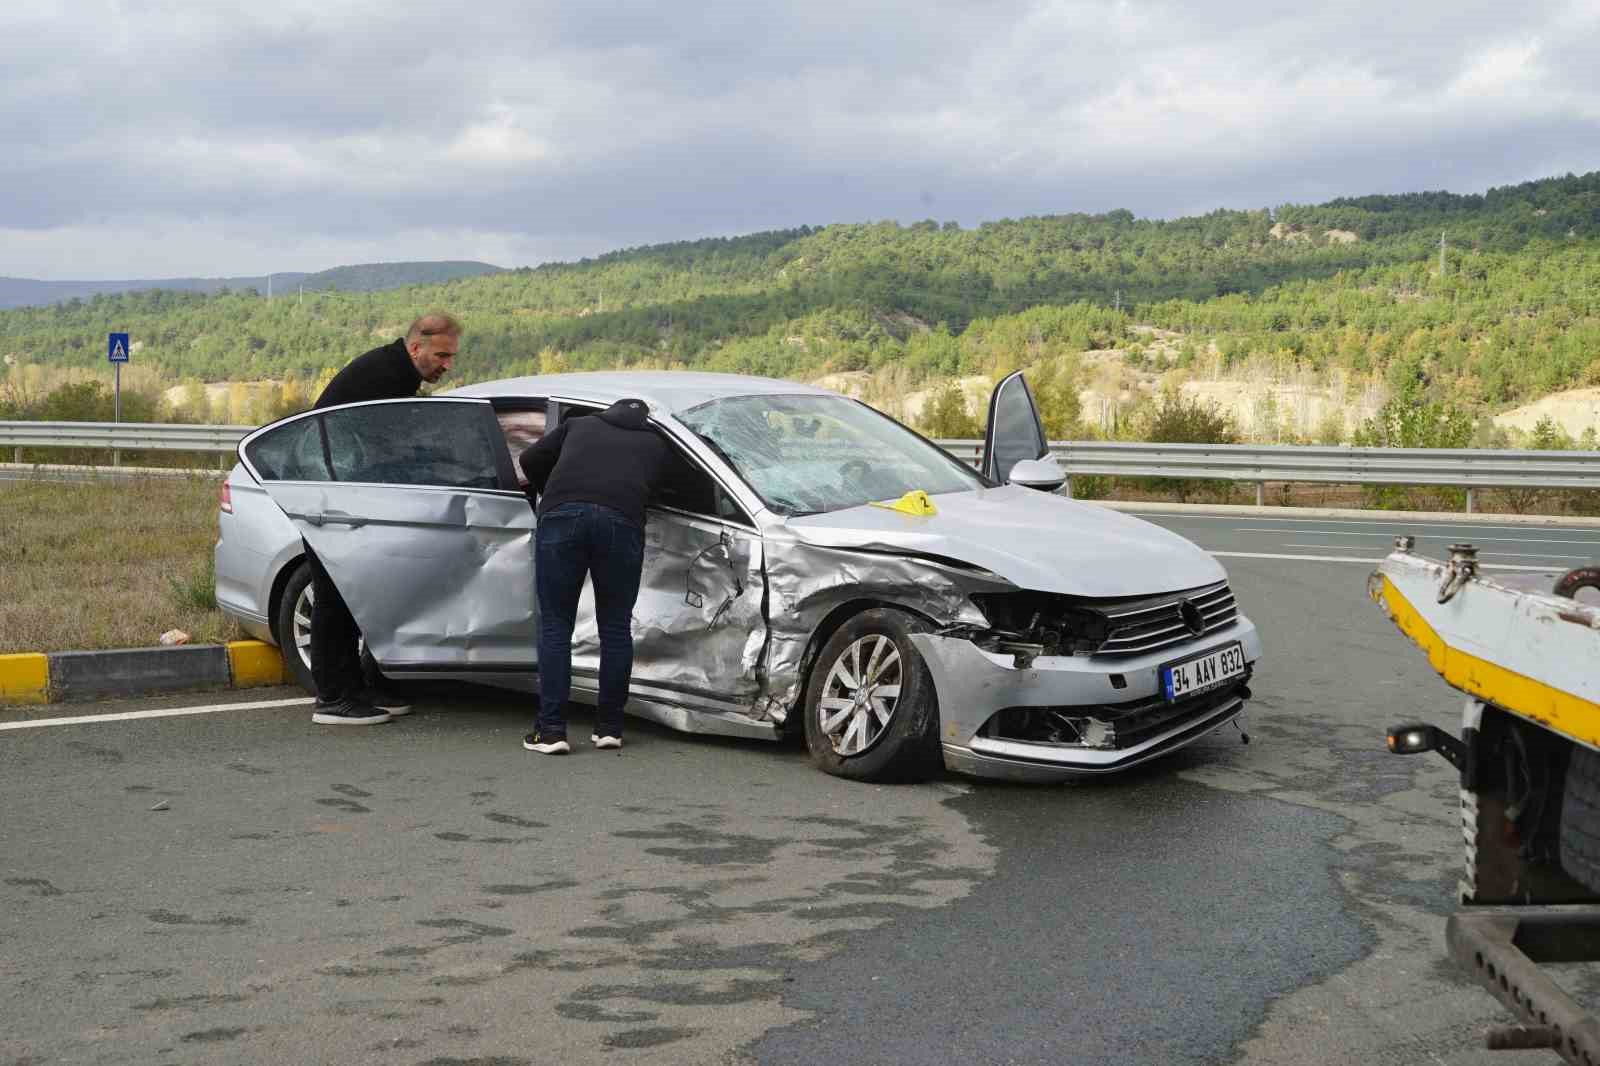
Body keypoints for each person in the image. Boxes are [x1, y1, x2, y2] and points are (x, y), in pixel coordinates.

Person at [305, 312, 461, 726]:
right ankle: (333, 697)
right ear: (416, 347)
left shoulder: (394, 372)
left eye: (451, 356)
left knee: (359, 596)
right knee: (336, 596)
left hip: (343, 495)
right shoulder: (385, 377)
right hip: (331, 500)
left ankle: (359, 686)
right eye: (442, 355)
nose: (448, 365)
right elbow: (389, 445)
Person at [518, 398, 669, 754]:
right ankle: (609, 728)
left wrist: (551, 488)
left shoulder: (580, 425)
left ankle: (551, 731)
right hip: (622, 522)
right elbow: (668, 489)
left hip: (563, 516)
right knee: (616, 627)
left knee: (556, 625)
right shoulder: (656, 443)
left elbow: (528, 460)